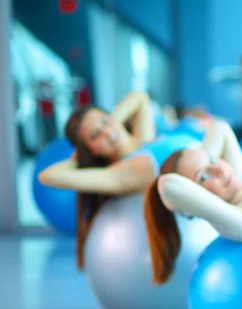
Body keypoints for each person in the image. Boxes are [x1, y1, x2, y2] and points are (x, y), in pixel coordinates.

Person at [37, 90, 217, 268]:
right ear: (91, 150)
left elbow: (140, 98)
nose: (106, 133)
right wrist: (79, 158)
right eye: (95, 135)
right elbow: (47, 176)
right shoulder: (125, 171)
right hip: (217, 188)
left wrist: (111, 123)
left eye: (105, 121)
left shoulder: (145, 140)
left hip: (220, 168)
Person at [143, 124, 242, 285]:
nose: (218, 170)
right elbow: (167, 186)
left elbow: (220, 129)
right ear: (195, 199)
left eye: (212, 160)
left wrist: (203, 163)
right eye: (203, 177)